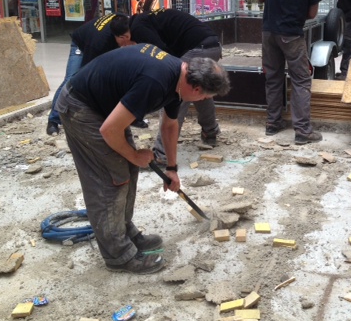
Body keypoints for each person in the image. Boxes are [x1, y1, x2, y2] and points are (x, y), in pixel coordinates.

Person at [55, 46, 230, 274]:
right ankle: (118, 256)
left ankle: (124, 231)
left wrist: (171, 168)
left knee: (128, 169)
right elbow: (109, 130)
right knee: (112, 179)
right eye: (205, 97)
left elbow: (169, 125)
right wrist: (135, 155)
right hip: (82, 108)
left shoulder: (179, 78)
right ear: (196, 89)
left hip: (103, 107)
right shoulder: (155, 82)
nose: (204, 101)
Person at [258, 0, 325, 145]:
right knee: (301, 80)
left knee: (273, 77)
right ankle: (303, 131)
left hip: (269, 32)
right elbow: (312, 13)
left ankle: (273, 123)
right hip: (292, 35)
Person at [130, 7, 223, 151]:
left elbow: (162, 53)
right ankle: (210, 132)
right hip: (213, 45)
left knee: (177, 94)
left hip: (197, 48)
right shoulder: (151, 19)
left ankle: (161, 153)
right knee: (200, 90)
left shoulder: (137, 27)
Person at [46, 13, 132, 136]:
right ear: (118, 36)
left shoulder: (126, 23)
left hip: (99, 39)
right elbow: (88, 72)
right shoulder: (98, 43)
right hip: (81, 44)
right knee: (72, 79)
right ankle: (53, 120)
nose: (127, 42)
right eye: (124, 39)